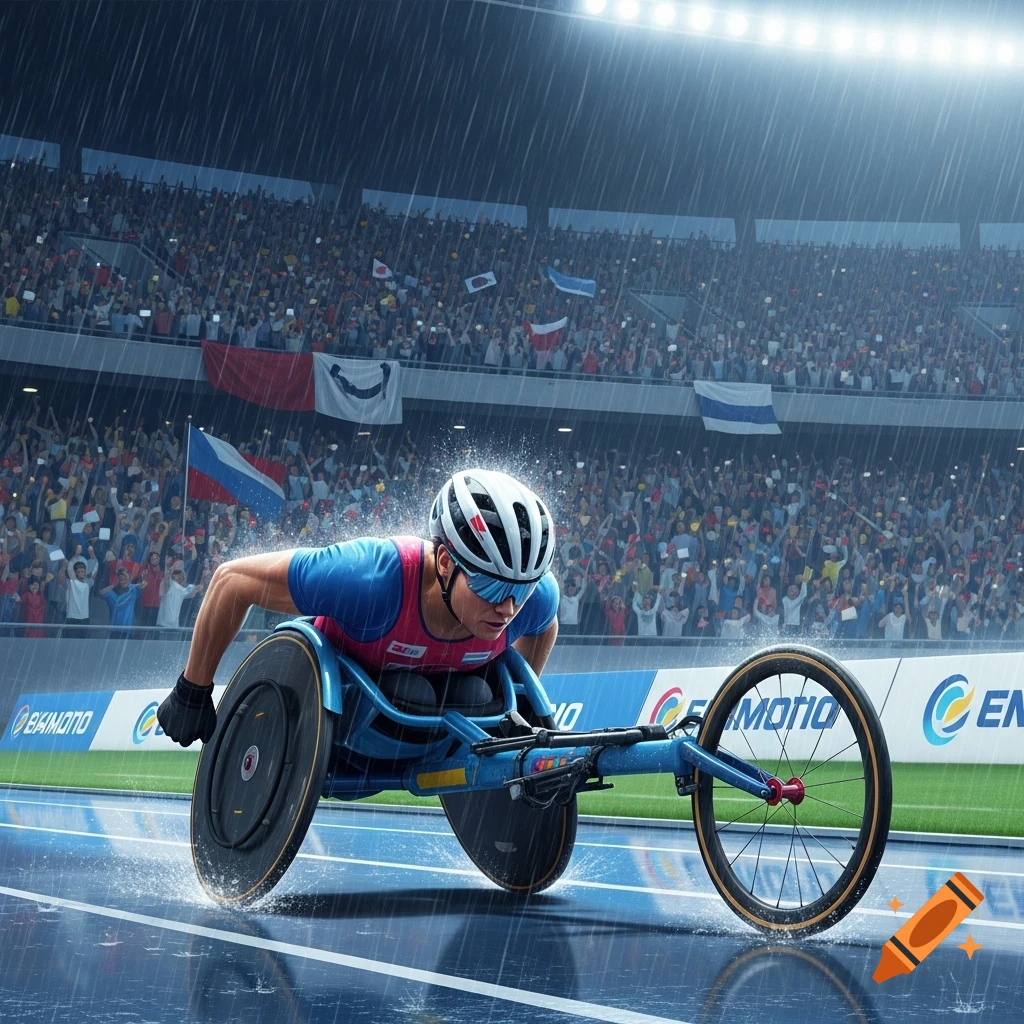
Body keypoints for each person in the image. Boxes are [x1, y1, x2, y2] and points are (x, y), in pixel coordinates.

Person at [157, 469, 559, 747]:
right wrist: (193, 689)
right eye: (490, 586)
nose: (508, 608)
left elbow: (545, 624)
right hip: (336, 707)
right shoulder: (369, 578)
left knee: (474, 693)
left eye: (521, 591)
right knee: (410, 691)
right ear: (444, 563)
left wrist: (522, 707)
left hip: (434, 716)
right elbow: (231, 581)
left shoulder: (534, 601)